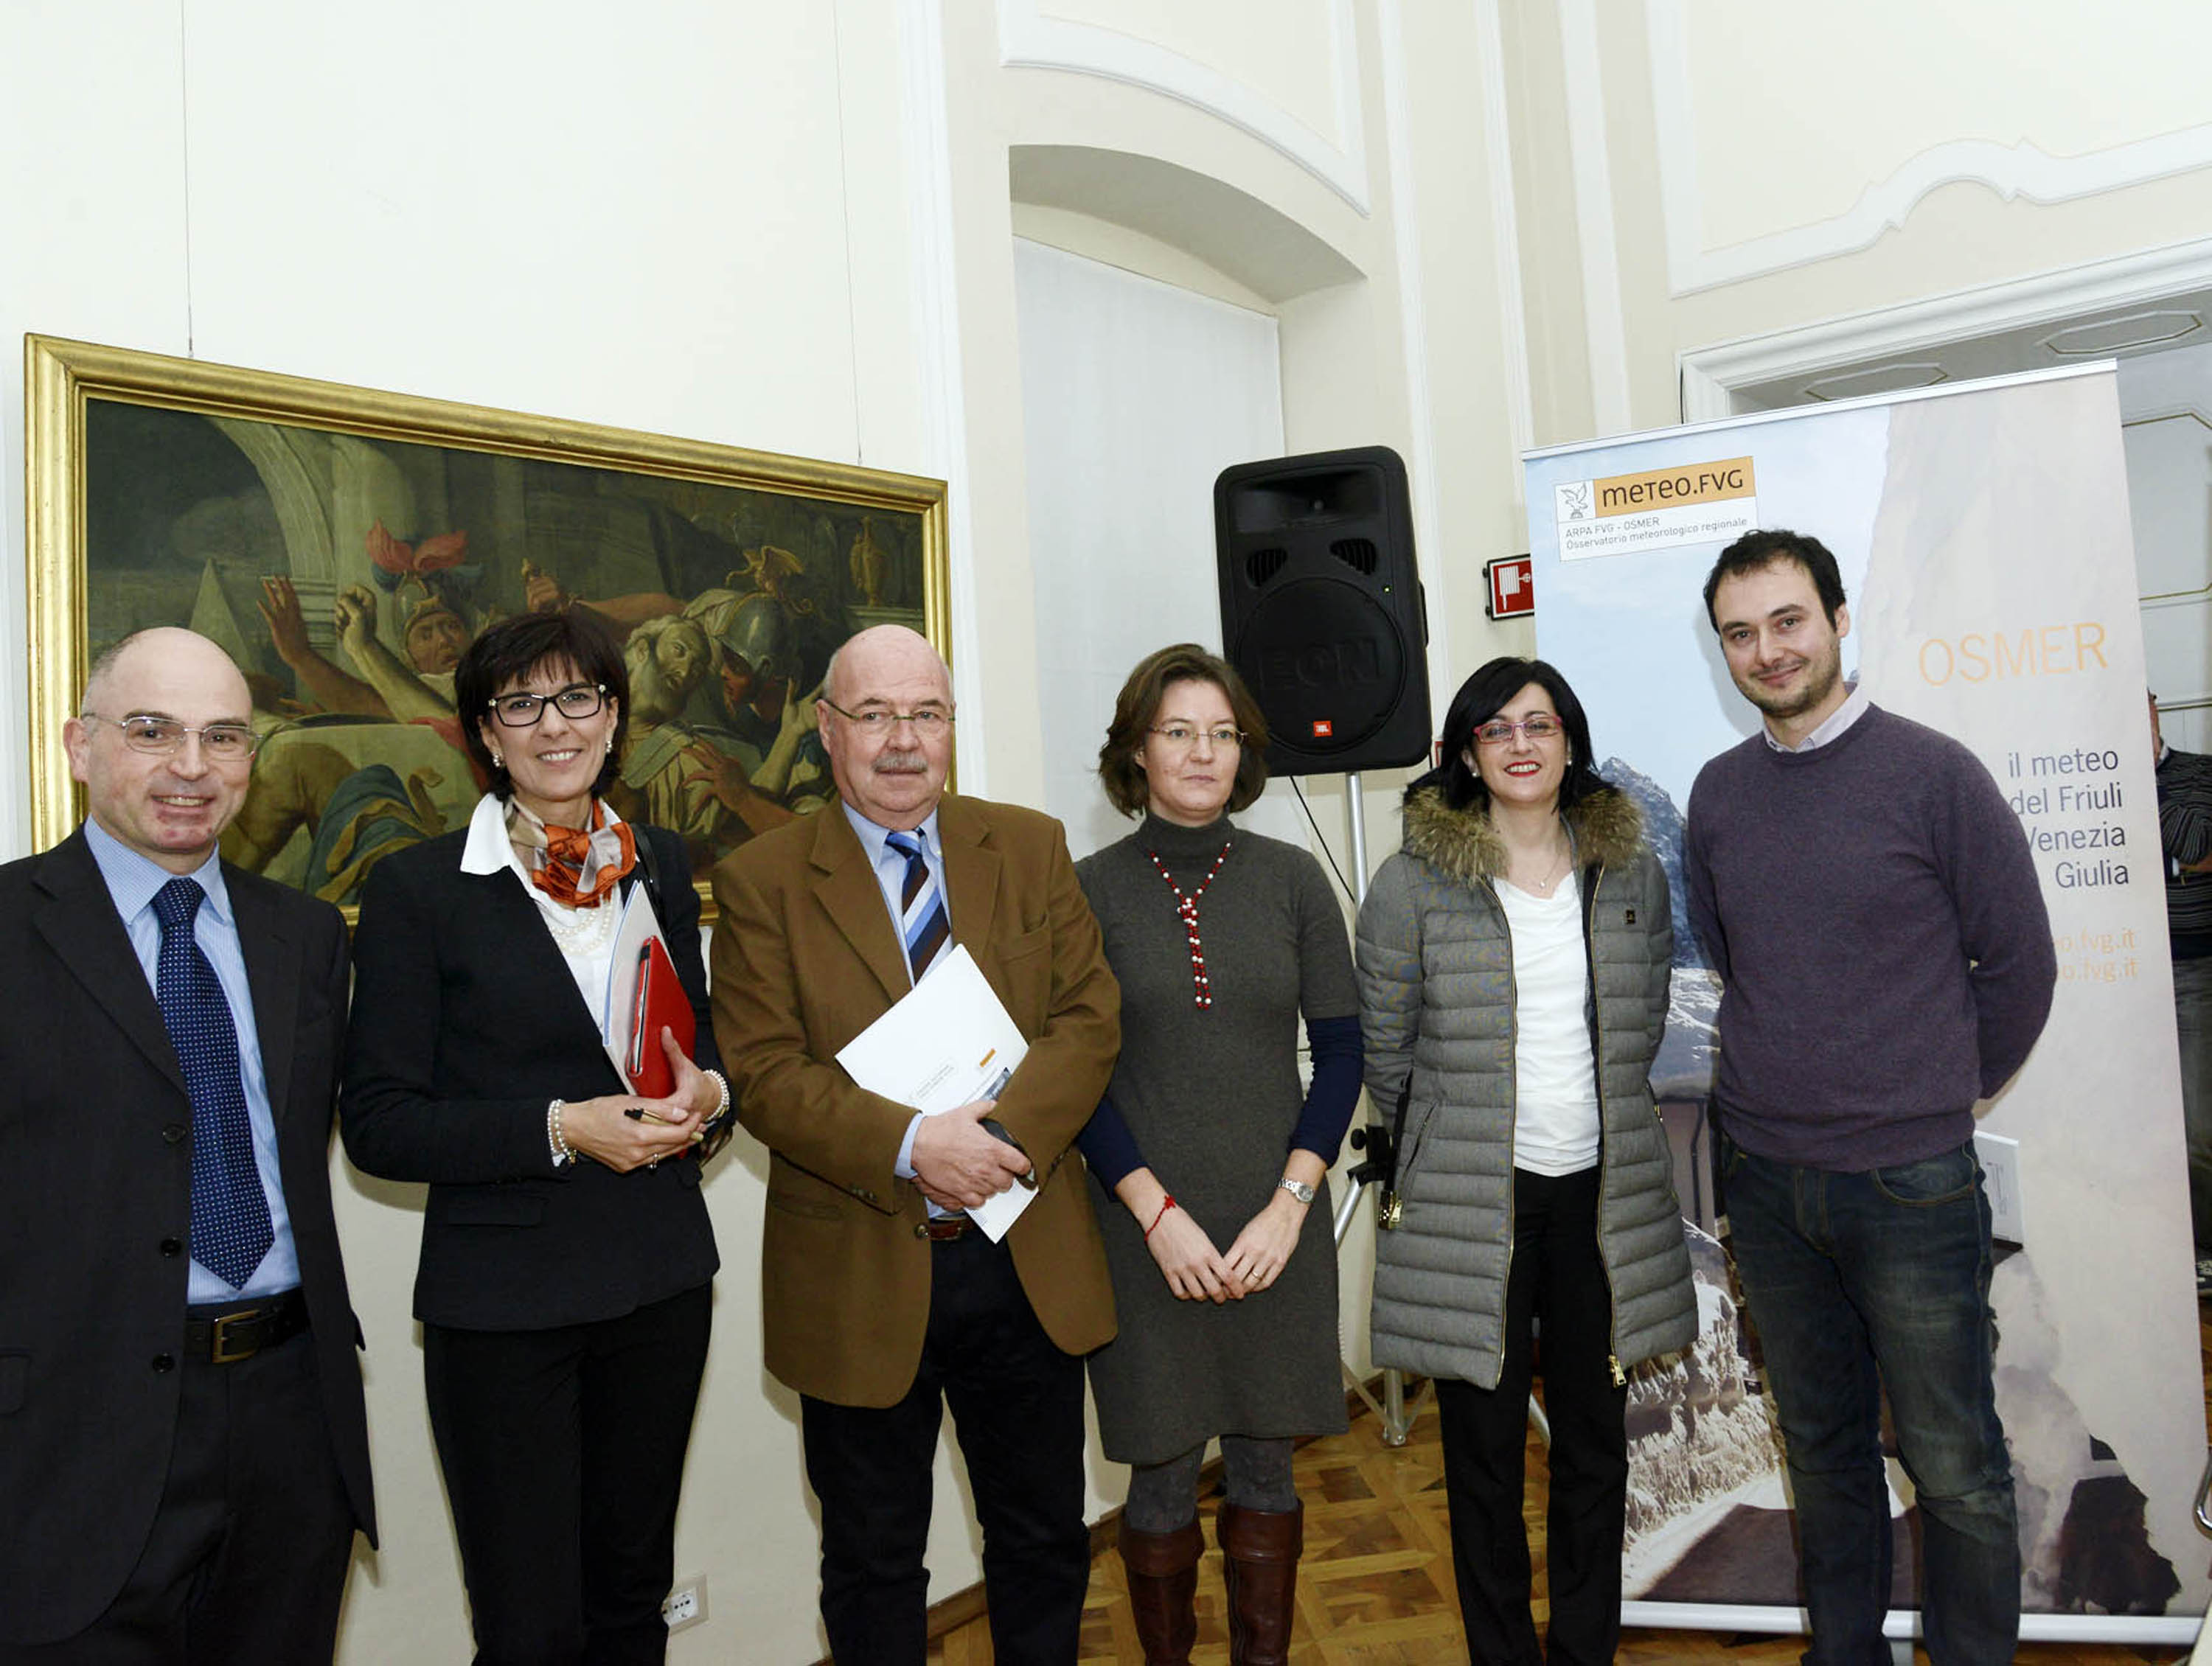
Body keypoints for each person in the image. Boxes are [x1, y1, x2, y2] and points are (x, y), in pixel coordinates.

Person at [710, 624, 1119, 1665]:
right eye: (876, 715)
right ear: (826, 730)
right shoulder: (761, 880)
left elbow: (1088, 1017)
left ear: (950, 726)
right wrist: (912, 1146)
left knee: (1040, 1544)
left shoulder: (1026, 846)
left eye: (926, 715)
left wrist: (1001, 1142)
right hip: (857, 1267)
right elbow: (762, 1073)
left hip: (1024, 1258)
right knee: (872, 1564)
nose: (904, 741)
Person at [1684, 529, 2056, 1665]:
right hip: (1766, 1181)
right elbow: (1732, 954)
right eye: (1740, 633)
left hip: (1910, 1186)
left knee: (1954, 1463)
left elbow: (2022, 967)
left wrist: (1931, 1094)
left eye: (1788, 620)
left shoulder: (1935, 774)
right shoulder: (1719, 793)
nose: (1768, 649)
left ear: (1840, 621)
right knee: (1824, 1452)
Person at [342, 610, 729, 1665]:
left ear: (614, 719)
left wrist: (712, 1098)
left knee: (632, 1596)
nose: (553, 725)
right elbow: (378, 1122)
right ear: (485, 733)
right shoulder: (419, 890)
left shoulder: (659, 860)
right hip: (505, 1308)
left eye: (578, 699)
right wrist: (561, 1129)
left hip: (658, 1284)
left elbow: (700, 1042)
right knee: (527, 1622)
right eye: (521, 704)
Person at [0, 627, 375, 1659]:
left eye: (224, 737)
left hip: (292, 1418)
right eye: (153, 731)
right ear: (80, 745)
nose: (191, 768)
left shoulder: (307, 936)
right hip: (76, 1434)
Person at [1357, 655, 1694, 1666]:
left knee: (1595, 1447)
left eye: (1538, 725)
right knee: (1485, 1457)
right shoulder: (1413, 880)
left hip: (1602, 1200)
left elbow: (1643, 1020)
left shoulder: (1627, 870)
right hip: (1477, 1208)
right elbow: (1388, 1048)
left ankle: (1584, 1650)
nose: (1519, 744)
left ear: (1570, 742)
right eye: (1496, 728)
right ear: (1468, 751)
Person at [1074, 645, 1363, 1665]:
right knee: (1157, 1477)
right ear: (1137, 750)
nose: (1202, 752)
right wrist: (1155, 1213)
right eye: (1177, 731)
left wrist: (1294, 1204)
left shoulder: (1292, 882)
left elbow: (1341, 1054)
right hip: (1142, 1231)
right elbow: (1077, 1077)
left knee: (1265, 1470)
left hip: (1272, 1224)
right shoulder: (1087, 890)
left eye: (1222, 733)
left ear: (1244, 752)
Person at [2151, 689, 2212, 1291]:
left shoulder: (2198, 773)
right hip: (2121, 977)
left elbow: (2195, 846)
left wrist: (2139, 768)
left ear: (2154, 711)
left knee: (2197, 1127)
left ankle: (2205, 1250)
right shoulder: (2092, 775)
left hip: (2193, 972)